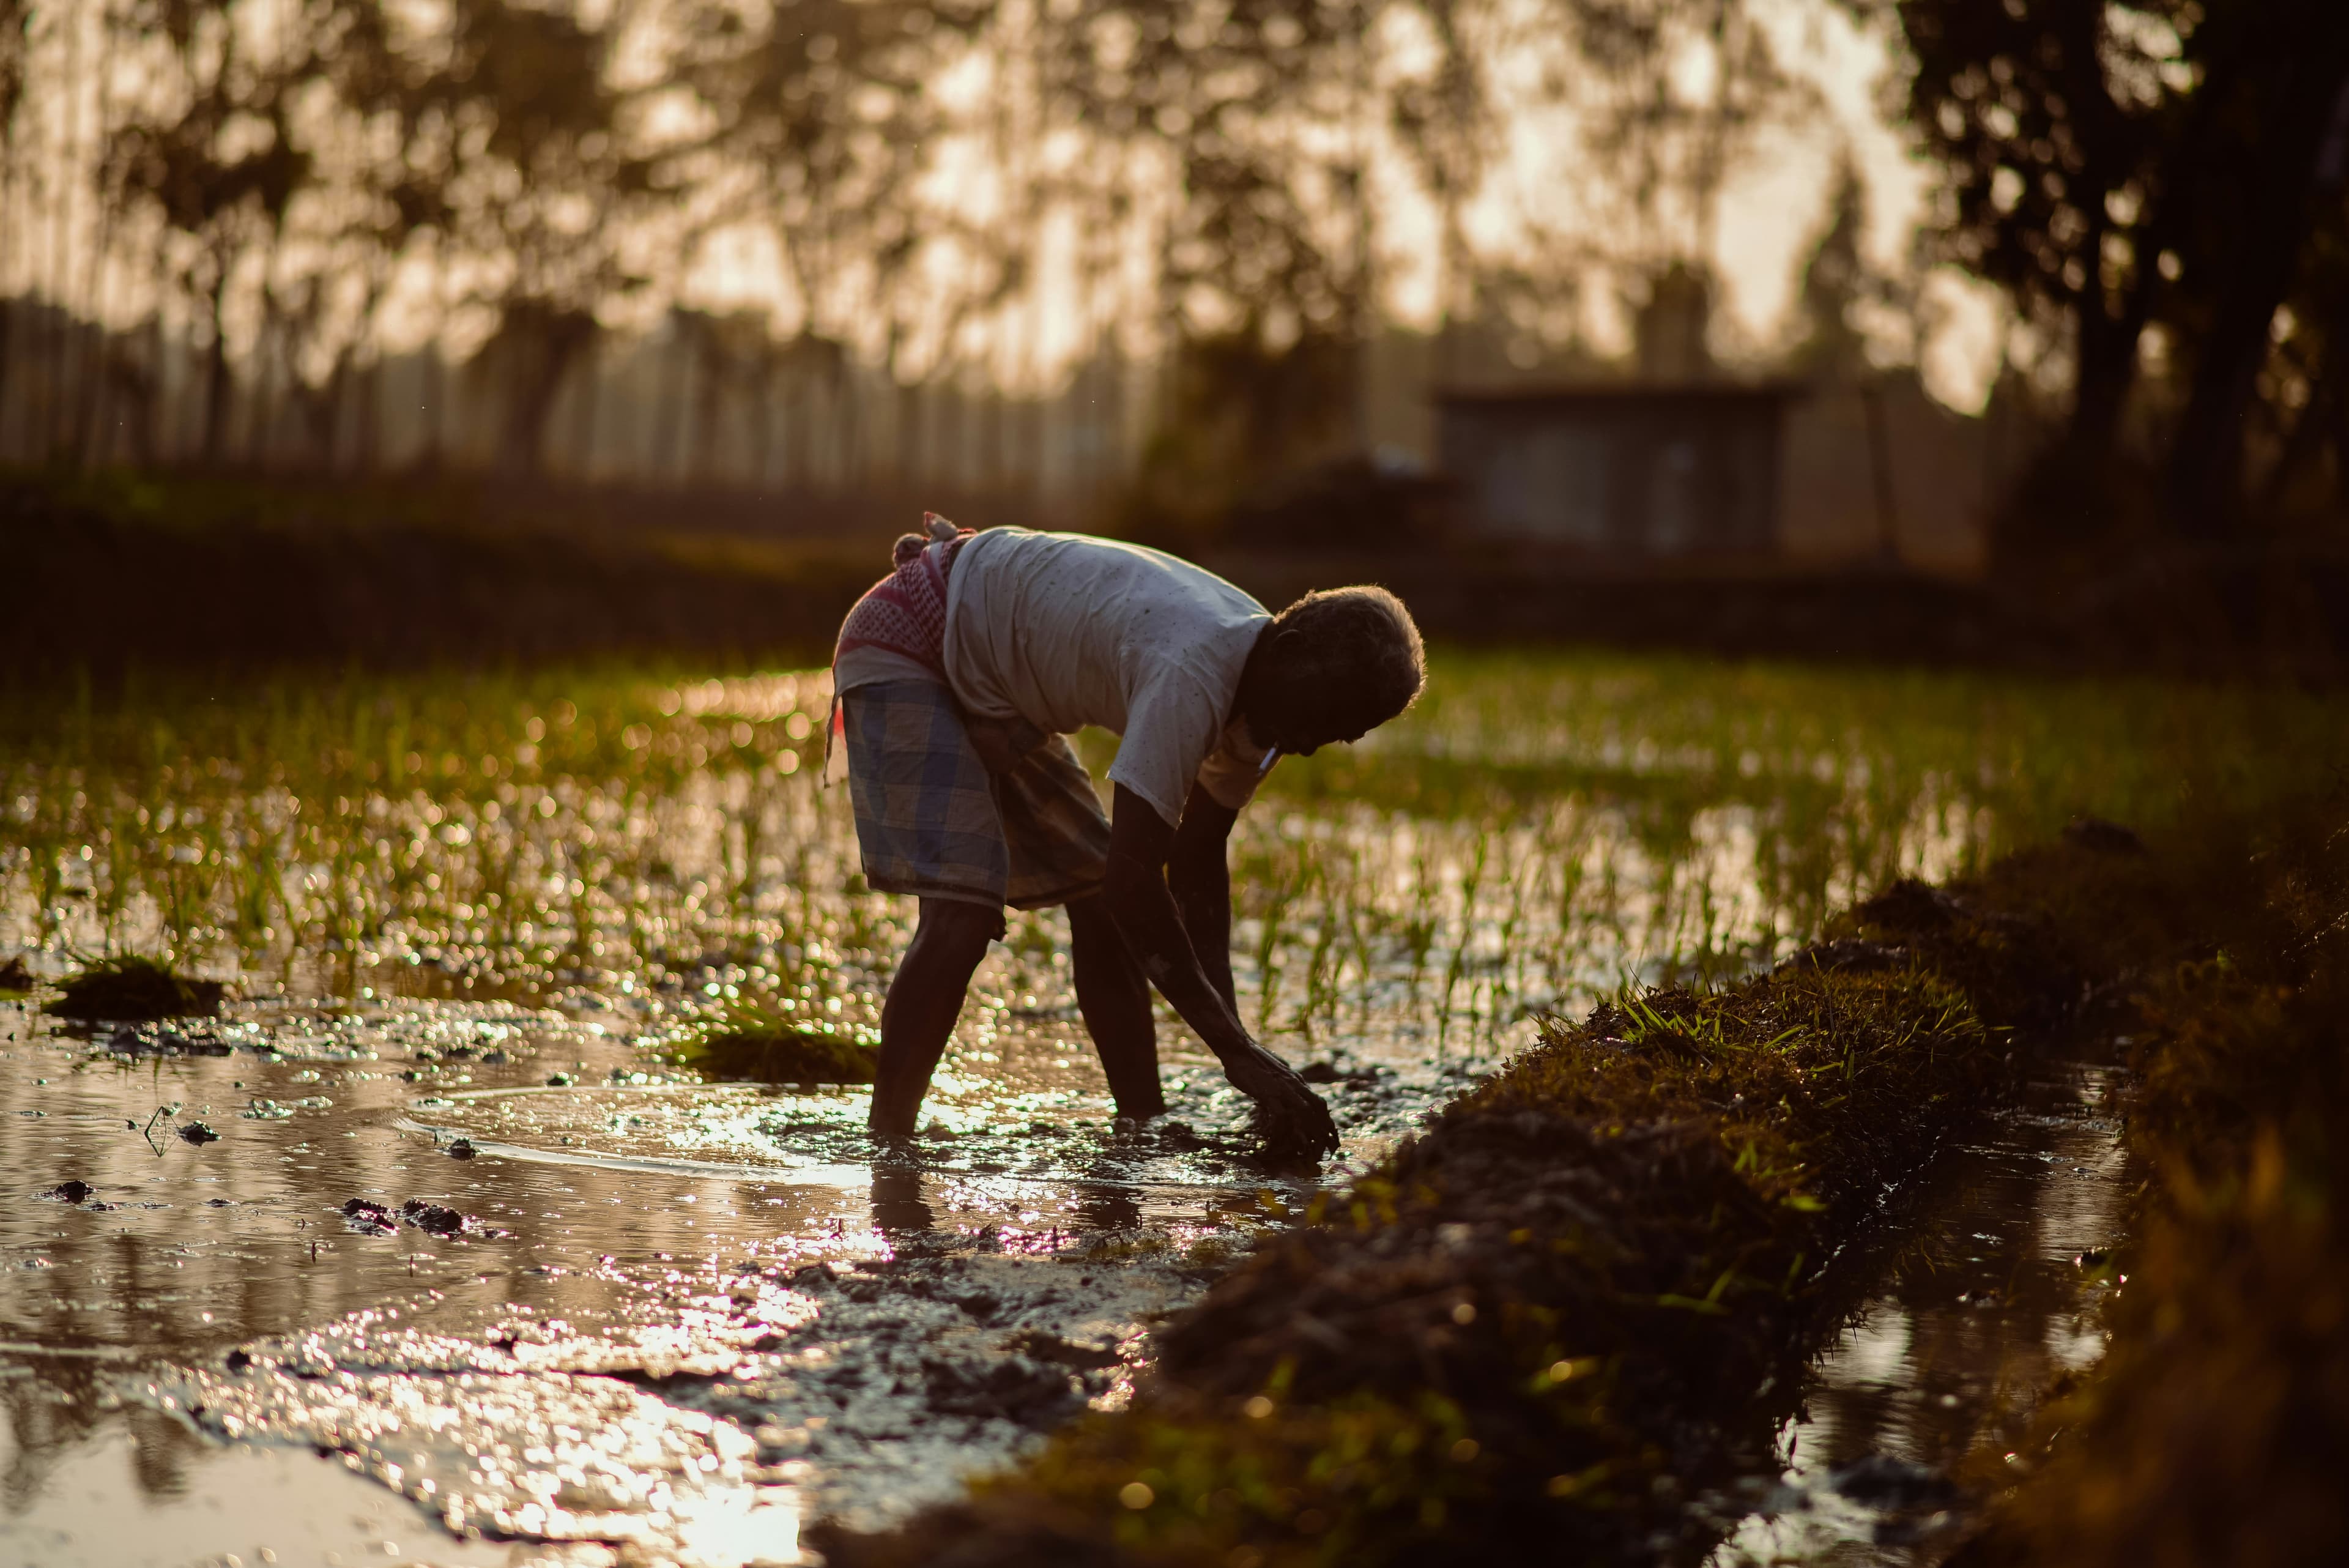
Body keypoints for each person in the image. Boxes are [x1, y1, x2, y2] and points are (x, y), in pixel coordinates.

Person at [831, 516, 1426, 1160]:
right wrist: (1235, 1051)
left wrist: (1245, 1056)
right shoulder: (1195, 671)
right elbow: (1135, 882)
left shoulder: (1269, 709)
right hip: (911, 641)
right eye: (1323, 715)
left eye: (1340, 733)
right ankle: (887, 1148)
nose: (1311, 743)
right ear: (1291, 648)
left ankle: (1142, 1128)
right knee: (964, 912)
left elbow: (1196, 865)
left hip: (996, 683)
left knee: (1096, 901)